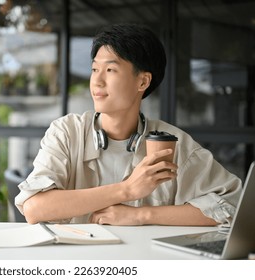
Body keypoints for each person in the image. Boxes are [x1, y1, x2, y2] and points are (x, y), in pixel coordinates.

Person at [15, 23, 242, 226]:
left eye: (110, 70)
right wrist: (126, 190)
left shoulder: (173, 143)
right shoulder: (66, 132)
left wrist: (141, 215)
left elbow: (232, 207)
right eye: (95, 69)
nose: (97, 80)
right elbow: (35, 208)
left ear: (142, 81)